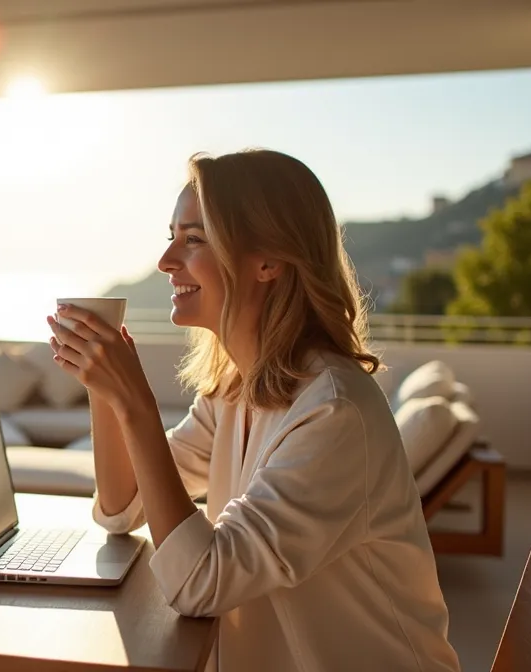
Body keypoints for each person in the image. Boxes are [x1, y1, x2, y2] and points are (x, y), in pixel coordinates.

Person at [46, 149, 461, 672]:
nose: (167, 260)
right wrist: (102, 384)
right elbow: (120, 508)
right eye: (171, 235)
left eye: (194, 238)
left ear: (268, 259)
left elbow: (200, 583)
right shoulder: (235, 389)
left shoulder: (334, 413)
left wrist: (136, 405)